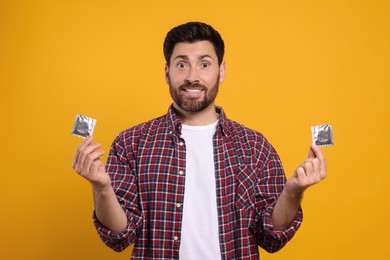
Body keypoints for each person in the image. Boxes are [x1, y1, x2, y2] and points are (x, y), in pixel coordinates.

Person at [72, 22, 327, 259]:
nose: (192, 76)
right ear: (167, 72)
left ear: (221, 70)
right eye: (181, 64)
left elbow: (271, 237)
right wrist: (101, 188)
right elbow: (120, 236)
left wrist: (293, 191)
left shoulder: (256, 147)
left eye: (204, 64)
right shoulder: (131, 143)